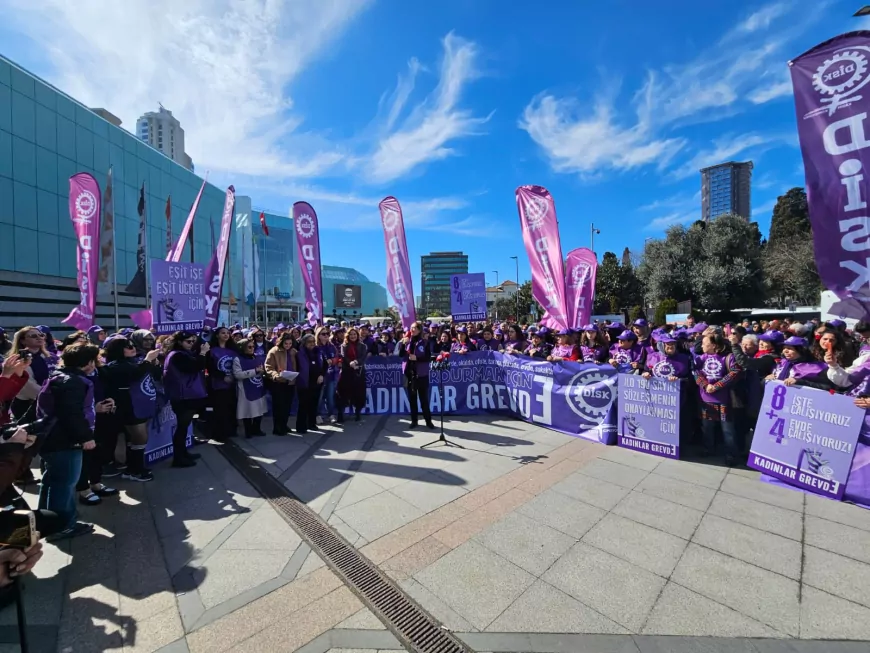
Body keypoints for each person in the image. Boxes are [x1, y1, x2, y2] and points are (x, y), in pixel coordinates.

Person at [37, 343, 106, 541]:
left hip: (51, 438)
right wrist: (85, 437)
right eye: (95, 359)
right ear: (87, 363)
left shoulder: (58, 376)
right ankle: (63, 526)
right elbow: (72, 414)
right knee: (64, 484)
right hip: (64, 441)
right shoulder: (74, 382)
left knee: (51, 481)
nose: (98, 363)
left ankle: (47, 522)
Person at [99, 336, 162, 483]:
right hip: (128, 406)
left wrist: (154, 363)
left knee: (136, 438)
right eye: (128, 346)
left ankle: (134, 467)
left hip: (140, 405)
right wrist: (147, 360)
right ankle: (135, 470)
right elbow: (134, 375)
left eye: (133, 345)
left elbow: (155, 374)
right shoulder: (114, 365)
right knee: (139, 436)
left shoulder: (135, 362)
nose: (132, 348)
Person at [162, 331, 209, 468]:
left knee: (185, 426)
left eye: (193, 342)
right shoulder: (177, 355)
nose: (191, 344)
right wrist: (203, 353)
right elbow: (195, 366)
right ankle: (178, 458)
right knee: (182, 428)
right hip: (183, 396)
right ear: (179, 342)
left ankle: (183, 453)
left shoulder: (182, 354)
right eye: (188, 342)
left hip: (186, 395)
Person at [694, 332, 742, 465]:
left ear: (714, 345)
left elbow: (735, 372)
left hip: (724, 399)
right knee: (707, 427)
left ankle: (731, 454)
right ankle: (708, 448)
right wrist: (705, 385)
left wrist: (716, 386)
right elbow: (696, 372)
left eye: (705, 343)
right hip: (705, 398)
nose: (702, 346)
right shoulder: (701, 358)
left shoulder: (728, 357)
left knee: (727, 429)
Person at [206, 327, 239, 441]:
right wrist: (223, 376)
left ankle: (230, 430)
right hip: (218, 385)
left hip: (232, 384)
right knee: (220, 410)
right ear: (217, 335)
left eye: (227, 333)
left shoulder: (233, 350)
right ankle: (219, 433)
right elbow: (210, 367)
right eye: (223, 333)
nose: (226, 335)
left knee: (231, 408)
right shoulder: (211, 350)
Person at [232, 338, 268, 438]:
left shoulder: (257, 357)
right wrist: (254, 371)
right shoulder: (237, 359)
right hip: (245, 388)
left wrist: (262, 372)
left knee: (259, 410)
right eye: (249, 347)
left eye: (253, 346)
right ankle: (248, 431)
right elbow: (238, 374)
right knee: (247, 411)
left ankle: (256, 429)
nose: (252, 349)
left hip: (258, 387)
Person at [401, 322, 435, 429]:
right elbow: (401, 355)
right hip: (410, 374)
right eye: (411, 328)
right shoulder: (407, 341)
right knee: (412, 399)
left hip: (421, 374)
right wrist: (403, 344)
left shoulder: (424, 342)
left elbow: (428, 357)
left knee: (423, 399)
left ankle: (428, 421)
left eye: (415, 328)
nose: (412, 330)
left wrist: (417, 358)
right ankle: (414, 421)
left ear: (420, 330)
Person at [265, 333, 297, 435]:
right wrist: (275, 375)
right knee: (278, 406)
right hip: (278, 382)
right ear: (281, 342)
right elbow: (268, 366)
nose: (288, 345)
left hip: (290, 381)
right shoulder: (274, 351)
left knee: (287, 406)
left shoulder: (293, 351)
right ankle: (277, 427)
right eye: (286, 343)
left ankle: (284, 424)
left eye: (290, 343)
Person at [295, 334, 325, 434]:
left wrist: (321, 375)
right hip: (304, 383)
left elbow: (325, 365)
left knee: (314, 405)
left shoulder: (319, 351)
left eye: (313, 341)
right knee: (303, 405)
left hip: (317, 383)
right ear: (304, 343)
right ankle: (301, 427)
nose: (312, 343)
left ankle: (311, 424)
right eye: (309, 342)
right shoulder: (300, 353)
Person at [337, 327, 368, 423]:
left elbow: (363, 357)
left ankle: (357, 413)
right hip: (346, 371)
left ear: (357, 335)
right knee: (343, 394)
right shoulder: (344, 345)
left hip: (358, 372)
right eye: (351, 334)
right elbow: (343, 356)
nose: (353, 336)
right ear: (348, 336)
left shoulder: (363, 346)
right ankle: (340, 415)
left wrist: (356, 362)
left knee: (359, 394)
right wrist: (350, 363)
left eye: (354, 334)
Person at [315, 327, 339, 424]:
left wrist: (333, 361)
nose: (326, 336)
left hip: (331, 375)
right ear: (318, 335)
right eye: (323, 334)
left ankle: (331, 414)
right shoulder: (315, 348)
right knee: (319, 397)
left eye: (327, 334)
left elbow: (338, 358)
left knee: (330, 396)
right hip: (320, 376)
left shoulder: (332, 346)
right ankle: (317, 415)